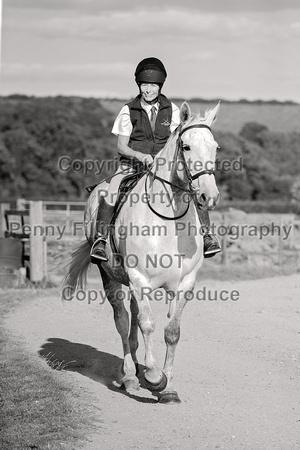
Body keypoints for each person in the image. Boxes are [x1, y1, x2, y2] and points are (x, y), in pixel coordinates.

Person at [90, 57, 221, 263]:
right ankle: (100, 240)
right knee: (112, 187)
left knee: (194, 187)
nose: (148, 90)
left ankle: (207, 235)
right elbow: (121, 146)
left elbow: (180, 140)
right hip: (132, 165)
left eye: (152, 85)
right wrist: (140, 155)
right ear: (139, 85)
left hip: (164, 166)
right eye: (144, 85)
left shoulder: (174, 110)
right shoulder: (128, 111)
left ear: (159, 86)